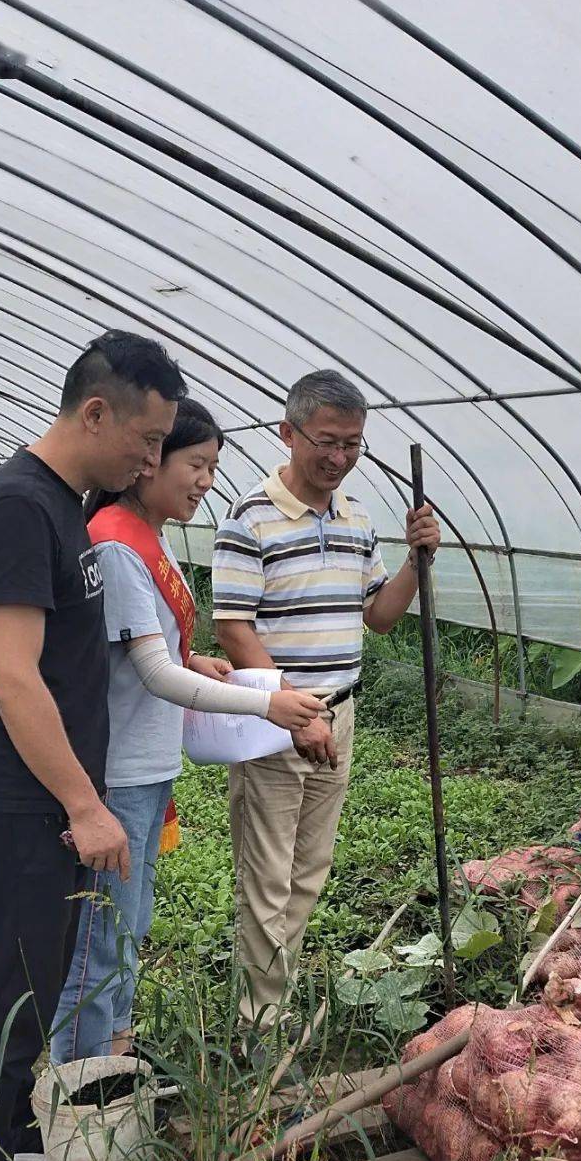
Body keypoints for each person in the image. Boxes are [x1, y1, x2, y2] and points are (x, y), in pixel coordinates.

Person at [0, 330, 187, 1161]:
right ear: (96, 414)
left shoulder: (61, 506)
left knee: (34, 987)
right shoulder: (15, 507)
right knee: (4, 987)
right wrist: (87, 806)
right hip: (12, 797)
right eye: (148, 439)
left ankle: (0, 1135)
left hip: (36, 798)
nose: (153, 460)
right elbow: (14, 679)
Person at [50, 399, 323, 1065]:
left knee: (127, 925)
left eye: (213, 467)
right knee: (101, 936)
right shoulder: (118, 544)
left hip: (143, 766)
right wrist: (260, 706)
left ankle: (115, 1054)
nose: (206, 480)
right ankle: (83, 1086)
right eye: (196, 464)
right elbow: (149, 671)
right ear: (148, 465)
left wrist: (191, 658)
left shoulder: (148, 537)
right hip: (117, 774)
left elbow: (146, 653)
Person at [212, 369, 441, 1044]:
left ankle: (268, 999)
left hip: (338, 714)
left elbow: (379, 618)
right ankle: (260, 1025)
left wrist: (414, 563)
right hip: (276, 720)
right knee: (268, 875)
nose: (339, 457)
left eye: (353, 444)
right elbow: (232, 625)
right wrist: (297, 712)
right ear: (289, 433)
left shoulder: (357, 519)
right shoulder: (248, 518)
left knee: (309, 870)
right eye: (327, 441)